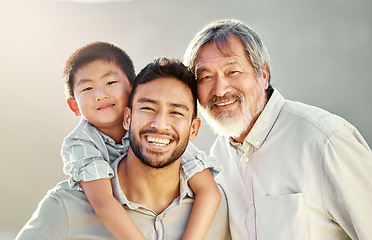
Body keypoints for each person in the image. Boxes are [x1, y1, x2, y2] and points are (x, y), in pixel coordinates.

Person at [183, 19, 372, 240]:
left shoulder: (324, 141)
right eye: (206, 77)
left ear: (263, 74)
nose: (220, 89)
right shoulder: (219, 157)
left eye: (233, 71)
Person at [20, 41, 221, 240]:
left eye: (110, 83)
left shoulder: (167, 139)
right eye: (87, 88)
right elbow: (102, 202)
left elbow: (209, 192)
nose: (100, 95)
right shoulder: (82, 146)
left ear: (131, 89)